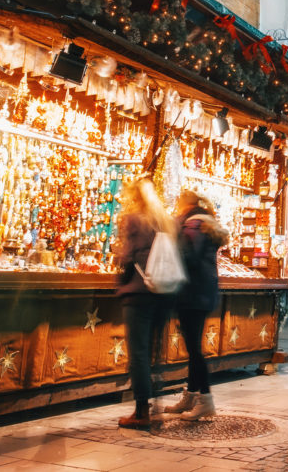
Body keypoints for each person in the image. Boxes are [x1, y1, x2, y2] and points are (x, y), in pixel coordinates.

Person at [115, 178, 175, 429]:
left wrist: (119, 269)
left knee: (138, 353)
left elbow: (127, 257)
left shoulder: (134, 219)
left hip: (139, 293)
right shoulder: (166, 222)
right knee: (155, 351)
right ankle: (156, 406)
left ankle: (141, 411)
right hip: (163, 292)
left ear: (136, 197)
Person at [164, 189, 221, 420]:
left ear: (183, 204)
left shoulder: (192, 226)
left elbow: (189, 258)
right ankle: (192, 395)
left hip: (192, 294)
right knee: (193, 347)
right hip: (200, 293)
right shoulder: (202, 224)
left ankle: (205, 400)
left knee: (195, 350)